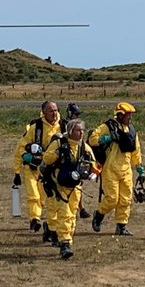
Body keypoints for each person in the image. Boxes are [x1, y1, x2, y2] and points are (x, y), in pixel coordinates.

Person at [41, 118, 96, 260]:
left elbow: (94, 163)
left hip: (75, 186)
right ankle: (64, 244)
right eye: (78, 130)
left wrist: (92, 173)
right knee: (64, 214)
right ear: (70, 131)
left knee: (72, 213)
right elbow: (46, 159)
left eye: (82, 130)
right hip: (59, 185)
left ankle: (66, 238)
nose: (81, 133)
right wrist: (58, 153)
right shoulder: (59, 143)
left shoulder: (83, 147)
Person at [88, 101, 144, 236]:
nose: (130, 118)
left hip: (126, 171)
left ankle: (121, 226)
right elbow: (92, 139)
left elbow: (136, 151)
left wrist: (140, 168)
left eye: (131, 115)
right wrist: (106, 138)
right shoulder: (107, 127)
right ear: (120, 115)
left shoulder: (131, 130)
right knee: (112, 199)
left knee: (125, 199)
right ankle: (99, 215)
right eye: (128, 115)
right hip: (110, 169)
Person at [12, 100, 66, 237]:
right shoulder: (35, 128)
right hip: (32, 168)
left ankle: (46, 220)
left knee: (44, 197)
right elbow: (21, 147)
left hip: (49, 169)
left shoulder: (63, 126)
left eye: (55, 110)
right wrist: (17, 170)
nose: (54, 113)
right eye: (50, 111)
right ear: (44, 112)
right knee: (33, 195)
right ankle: (35, 219)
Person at [66, 102, 91, 220]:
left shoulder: (78, 126)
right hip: (67, 160)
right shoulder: (65, 126)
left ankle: (80, 208)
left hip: (78, 159)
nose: (77, 116)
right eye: (75, 114)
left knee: (79, 184)